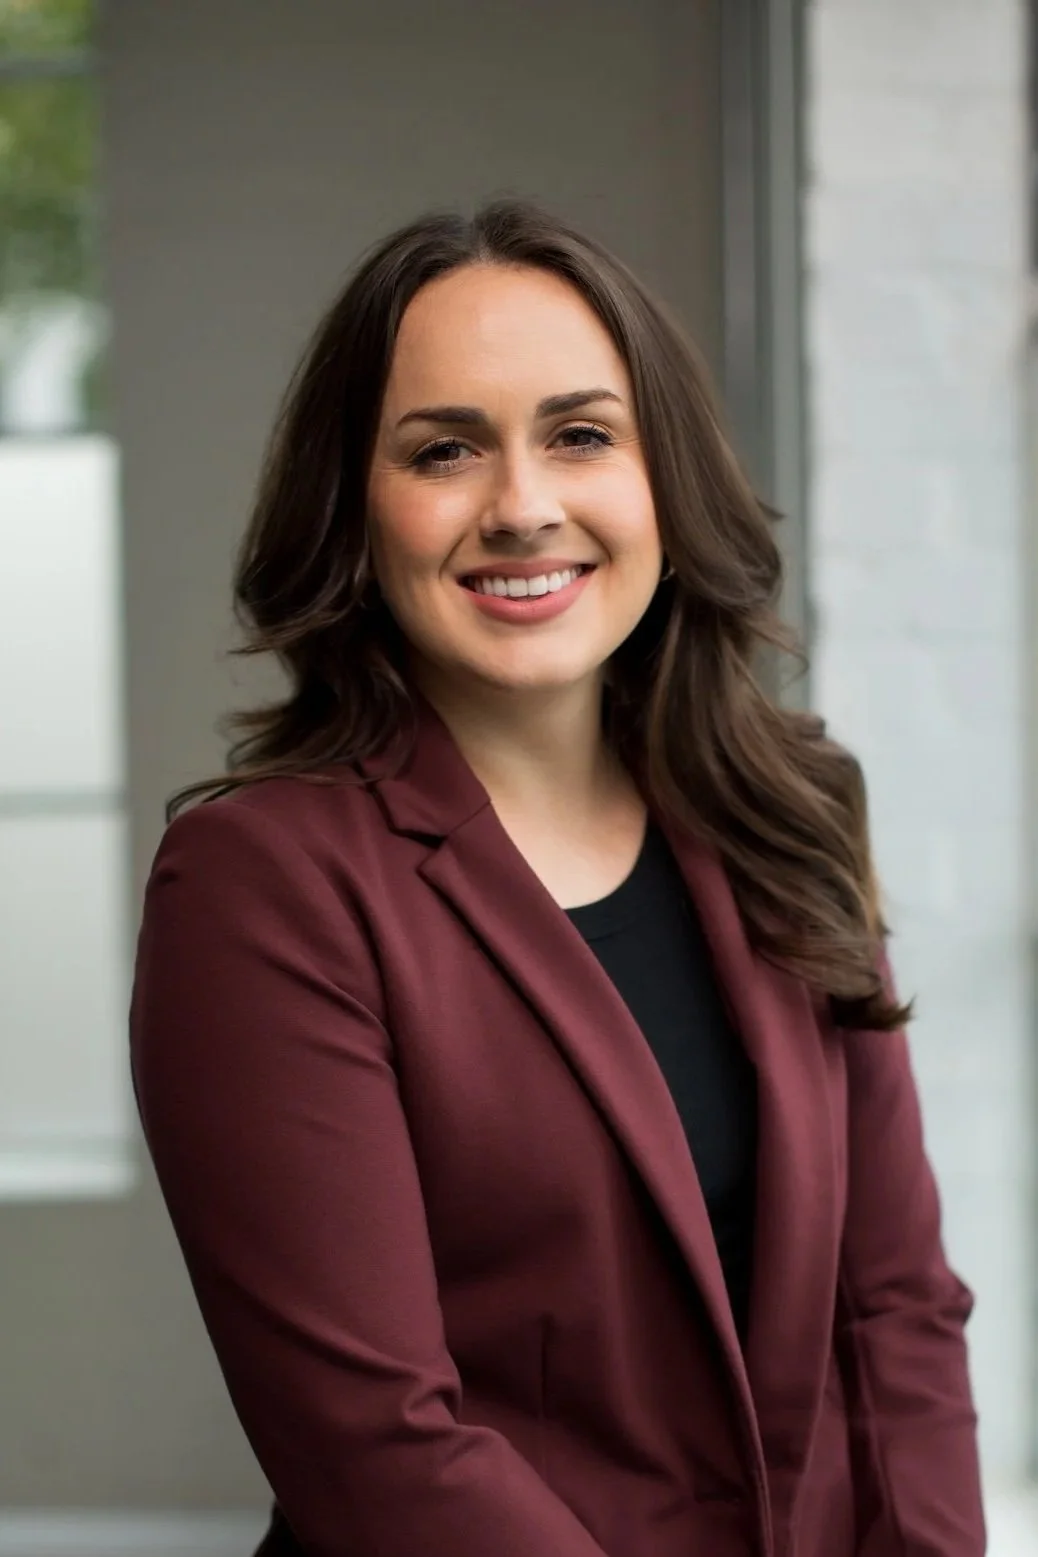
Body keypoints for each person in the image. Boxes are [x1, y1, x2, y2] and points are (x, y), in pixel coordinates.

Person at [129, 200, 985, 1557]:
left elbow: (894, 1308)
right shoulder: (261, 885)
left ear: (664, 480)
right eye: (444, 449)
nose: (521, 507)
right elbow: (375, 1442)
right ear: (356, 505)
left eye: (580, 435)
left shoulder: (786, 804)